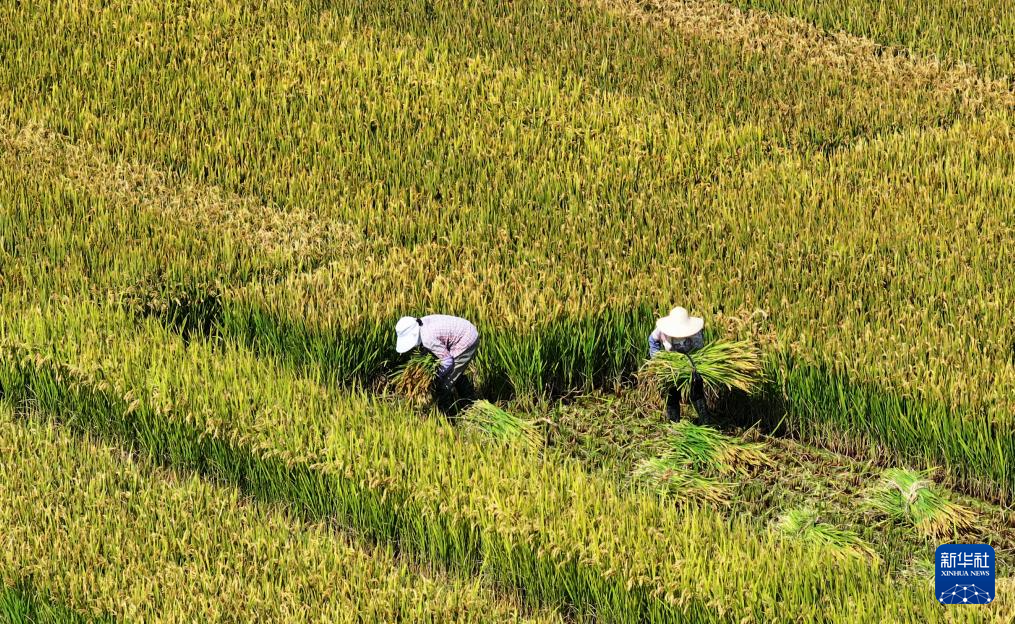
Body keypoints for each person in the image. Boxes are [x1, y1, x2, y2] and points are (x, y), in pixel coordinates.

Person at [395, 314, 480, 415]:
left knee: (445, 383)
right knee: (454, 373)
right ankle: (468, 403)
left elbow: (447, 361)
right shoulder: (421, 324)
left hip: (466, 339)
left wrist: (434, 376)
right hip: (463, 331)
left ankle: (448, 415)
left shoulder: (428, 338)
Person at [648, 306, 707, 423]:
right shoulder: (662, 330)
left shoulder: (695, 332)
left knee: (697, 390)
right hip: (672, 365)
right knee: (672, 392)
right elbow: (652, 340)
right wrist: (657, 359)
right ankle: (673, 422)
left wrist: (694, 366)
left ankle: (705, 421)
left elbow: (699, 350)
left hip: (691, 362)